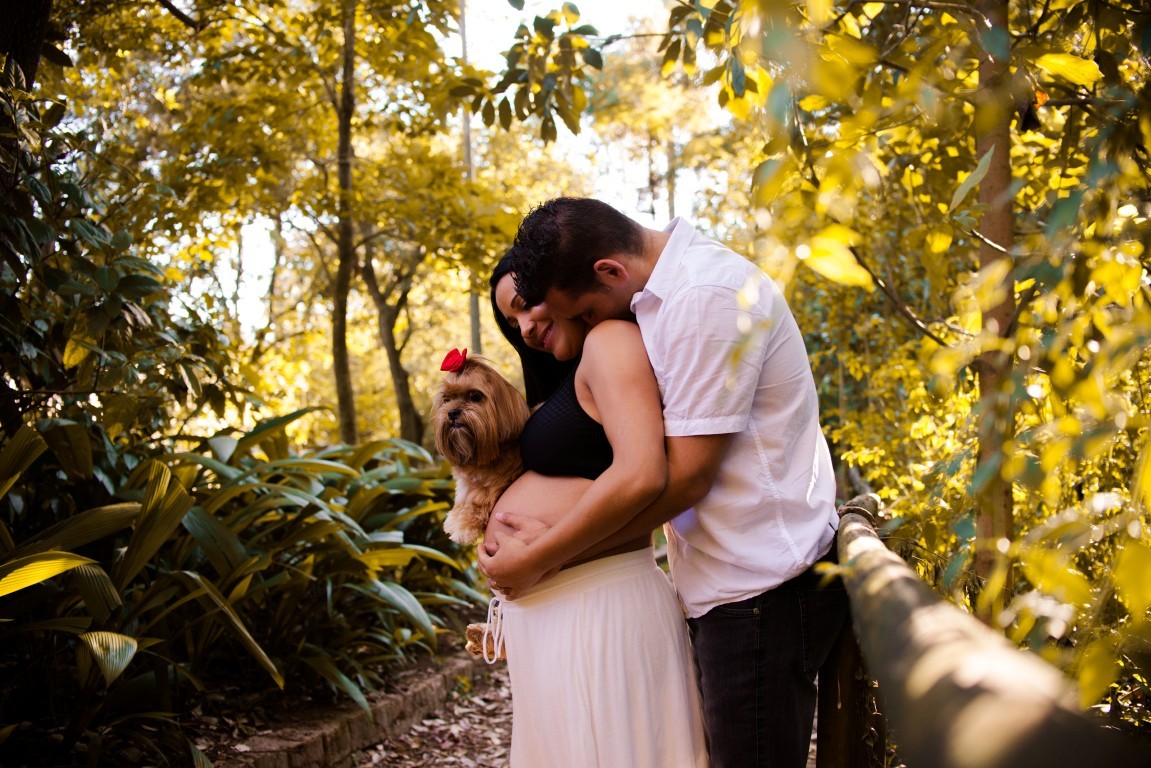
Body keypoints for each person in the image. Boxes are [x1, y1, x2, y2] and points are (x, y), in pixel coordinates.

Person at [482, 198, 849, 768]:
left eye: (579, 313)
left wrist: (546, 557)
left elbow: (683, 479)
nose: (583, 327)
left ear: (609, 272)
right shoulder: (659, 303)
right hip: (724, 583)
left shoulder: (705, 298)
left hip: (760, 589)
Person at [478, 252, 708, 767]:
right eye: (511, 322)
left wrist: (540, 557)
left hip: (602, 605)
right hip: (563, 617)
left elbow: (644, 476)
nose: (524, 326)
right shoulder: (567, 376)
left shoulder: (610, 342)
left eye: (525, 304)